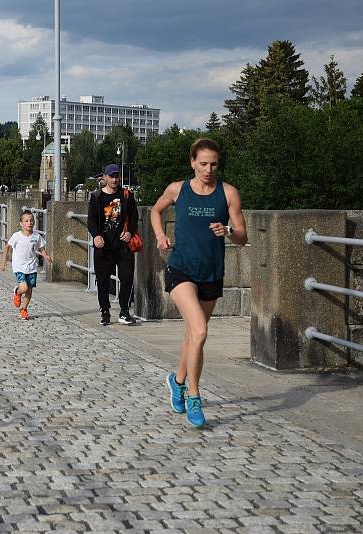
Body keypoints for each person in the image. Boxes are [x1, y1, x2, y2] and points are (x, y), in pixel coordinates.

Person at [150, 138, 248, 428]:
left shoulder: (228, 194)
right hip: (181, 269)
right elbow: (156, 211)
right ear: (192, 161)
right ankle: (194, 396)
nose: (208, 169)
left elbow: (244, 236)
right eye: (203, 163)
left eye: (213, 164)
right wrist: (159, 236)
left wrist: (228, 230)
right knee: (201, 330)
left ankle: (177, 381)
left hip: (211, 273)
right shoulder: (177, 189)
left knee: (193, 335)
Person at [87, 163, 138, 326]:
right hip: (104, 247)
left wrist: (130, 231)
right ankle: (105, 311)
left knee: (127, 277)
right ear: (105, 177)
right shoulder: (97, 197)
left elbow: (135, 217)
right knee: (102, 280)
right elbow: (92, 220)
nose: (115, 179)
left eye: (117, 176)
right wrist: (95, 236)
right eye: (111, 176)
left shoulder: (126, 195)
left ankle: (124, 311)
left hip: (122, 245)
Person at [1, 210, 52, 320]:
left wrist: (45, 256)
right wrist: (3, 261)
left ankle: (23, 309)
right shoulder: (17, 236)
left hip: (32, 266)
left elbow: (41, 248)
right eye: (26, 221)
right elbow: (7, 247)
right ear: (21, 223)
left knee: (29, 290)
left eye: (31, 220)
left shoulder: (36, 236)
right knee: (24, 288)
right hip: (19, 266)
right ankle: (17, 291)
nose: (29, 223)